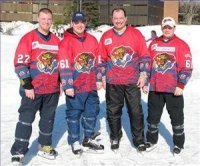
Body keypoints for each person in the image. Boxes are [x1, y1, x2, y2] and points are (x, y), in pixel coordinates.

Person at [10, 8, 60, 165]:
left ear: (52, 20)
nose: (46, 21)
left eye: (49, 19)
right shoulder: (29, 38)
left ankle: (44, 146)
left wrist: (63, 82)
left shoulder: (57, 41)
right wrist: (27, 85)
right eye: (43, 18)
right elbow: (20, 64)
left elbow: (62, 64)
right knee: (26, 120)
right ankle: (18, 151)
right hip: (33, 90)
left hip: (52, 90)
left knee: (48, 120)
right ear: (38, 19)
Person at [99, 8, 150, 152]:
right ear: (111, 19)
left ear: (126, 19)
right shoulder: (106, 36)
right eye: (115, 18)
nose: (118, 20)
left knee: (135, 111)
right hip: (113, 81)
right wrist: (102, 76)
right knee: (113, 111)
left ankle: (139, 139)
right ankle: (115, 136)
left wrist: (143, 74)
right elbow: (101, 59)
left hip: (132, 80)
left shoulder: (136, 34)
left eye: (121, 18)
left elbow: (145, 56)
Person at [143, 17, 193, 154]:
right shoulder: (153, 44)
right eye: (165, 27)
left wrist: (181, 85)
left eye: (169, 27)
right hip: (156, 88)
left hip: (173, 89)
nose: (167, 29)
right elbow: (147, 64)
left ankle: (178, 144)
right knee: (153, 117)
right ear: (161, 28)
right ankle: (151, 140)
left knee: (177, 118)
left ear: (174, 28)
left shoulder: (182, 45)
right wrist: (146, 81)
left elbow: (187, 68)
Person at [58, 11, 104, 155]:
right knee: (74, 113)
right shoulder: (66, 41)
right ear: (72, 23)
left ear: (85, 23)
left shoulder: (92, 39)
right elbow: (64, 64)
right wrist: (67, 85)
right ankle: (74, 140)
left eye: (82, 22)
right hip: (75, 85)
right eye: (76, 22)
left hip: (90, 84)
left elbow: (98, 61)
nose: (79, 25)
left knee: (92, 111)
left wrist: (98, 78)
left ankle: (88, 138)